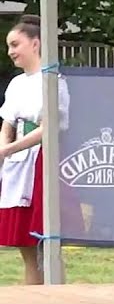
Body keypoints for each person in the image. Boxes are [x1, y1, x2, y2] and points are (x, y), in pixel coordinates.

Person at [0, 15, 70, 285]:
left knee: (45, 243)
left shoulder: (54, 80)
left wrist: (9, 150)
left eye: (16, 44)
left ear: (36, 43)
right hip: (18, 164)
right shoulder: (17, 83)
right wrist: (5, 148)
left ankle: (56, 298)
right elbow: (8, 122)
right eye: (9, 46)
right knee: (25, 246)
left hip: (42, 162)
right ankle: (34, 295)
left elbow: (50, 127)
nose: (11, 52)